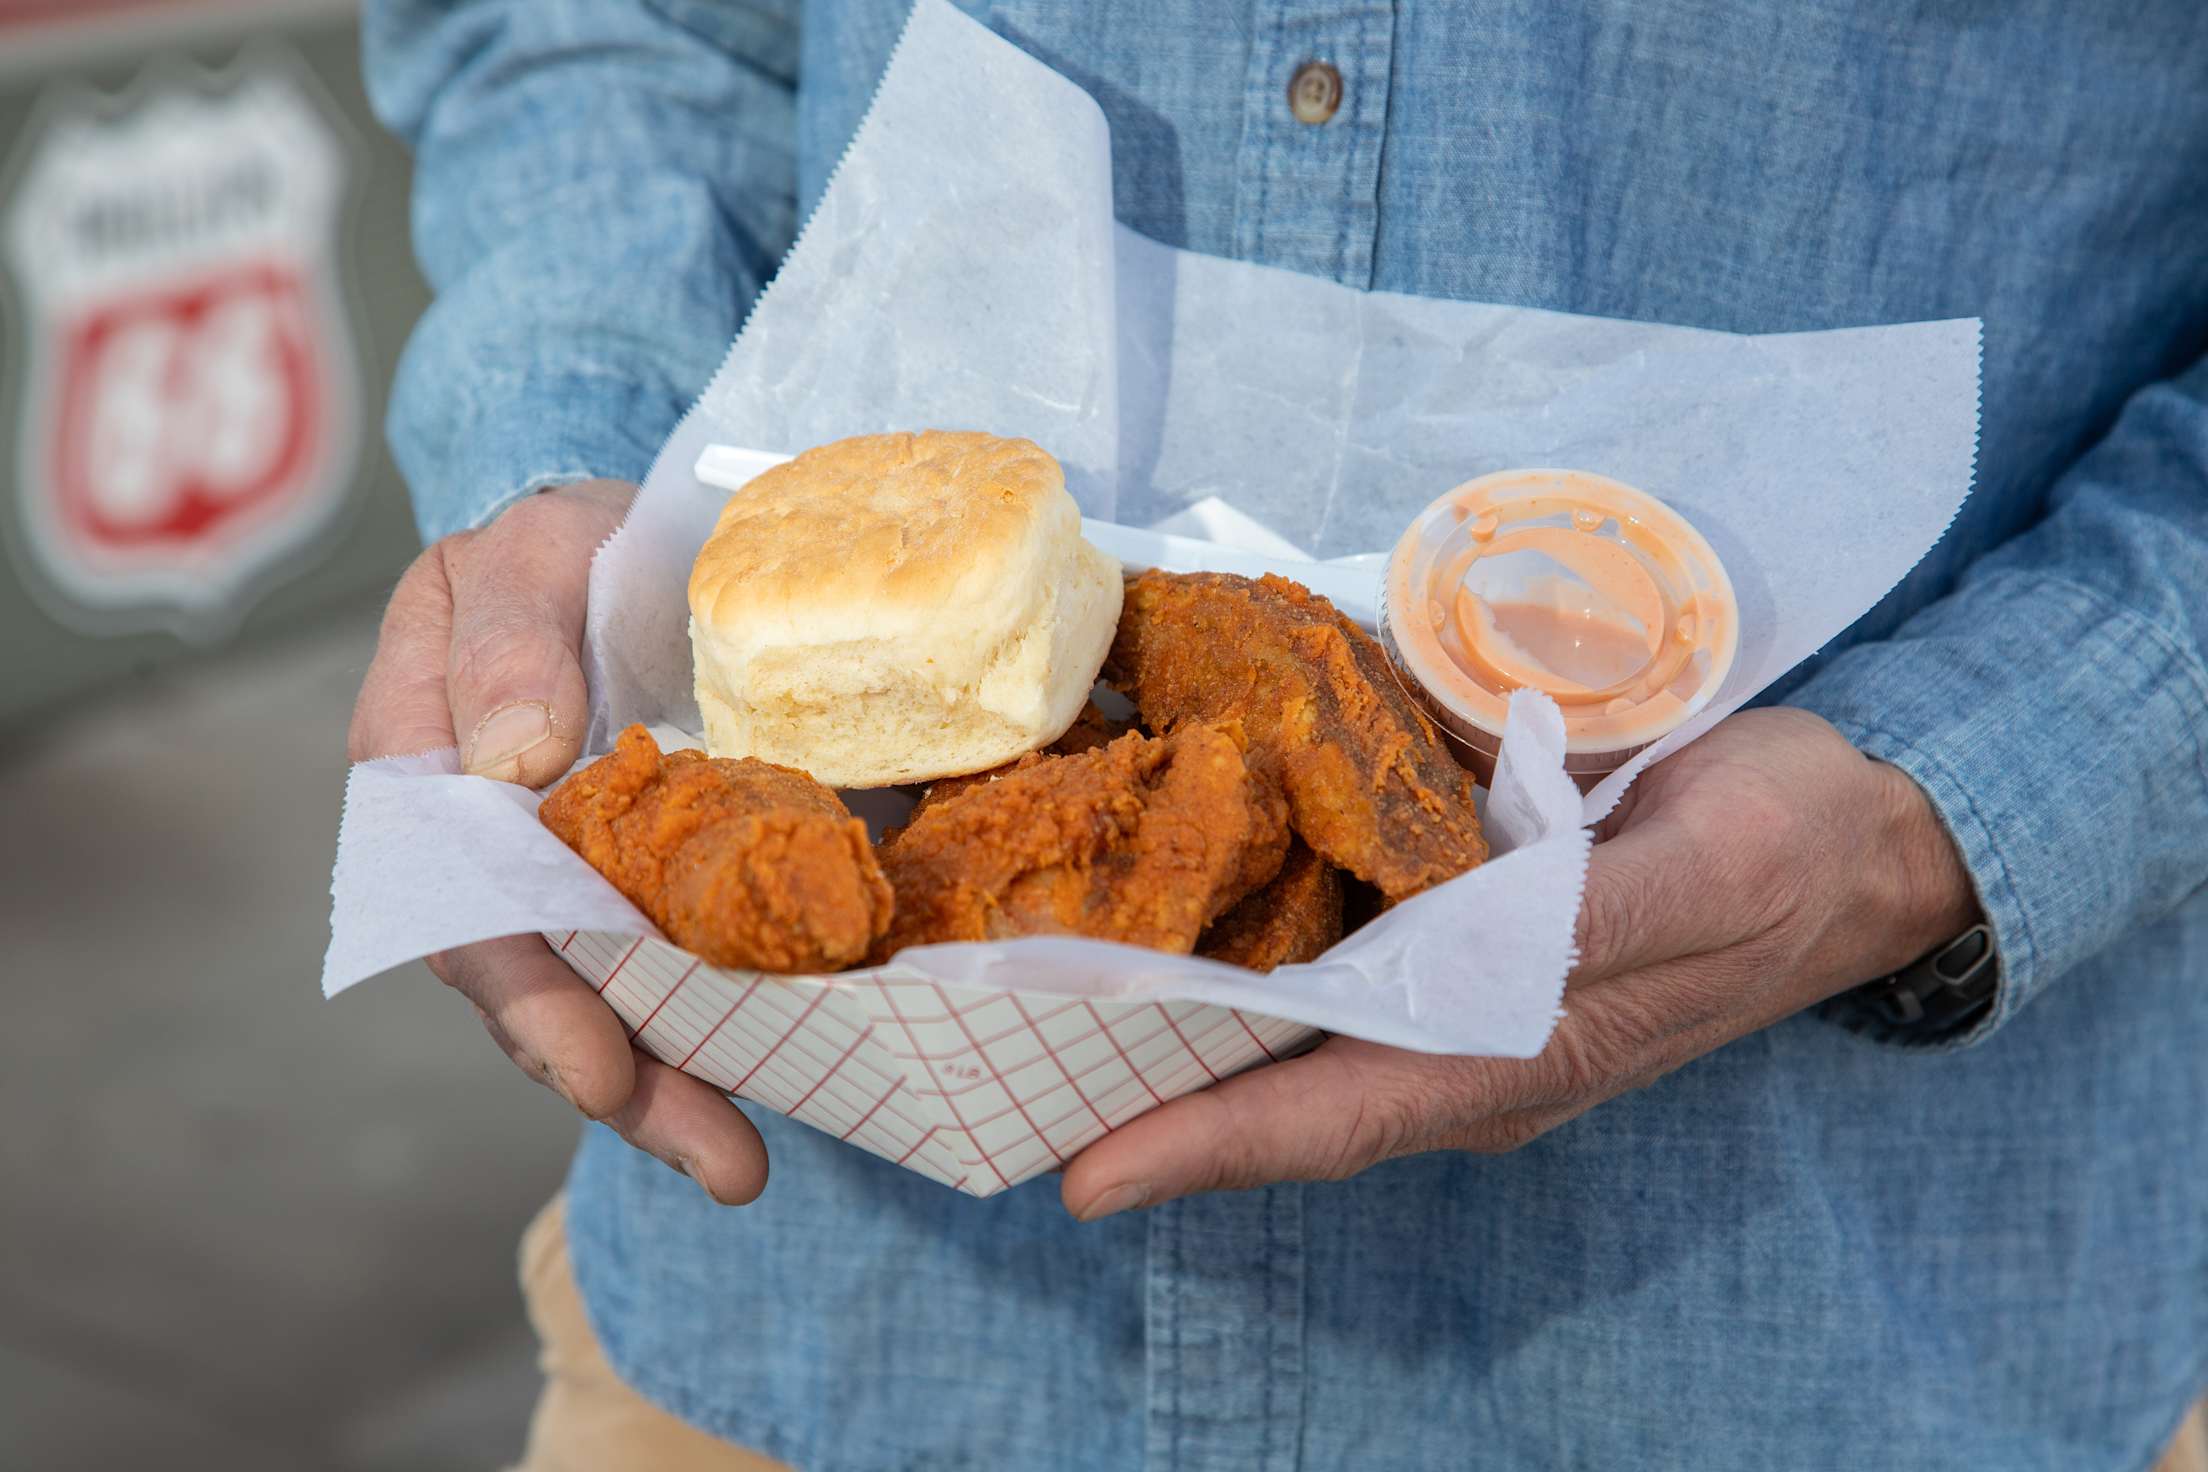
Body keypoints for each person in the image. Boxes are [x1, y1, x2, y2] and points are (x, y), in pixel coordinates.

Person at [350, 3, 2208, 1468]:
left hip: (1855, 1358)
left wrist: (1950, 796)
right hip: (802, 1353)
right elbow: (602, 35)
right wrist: (572, 482)